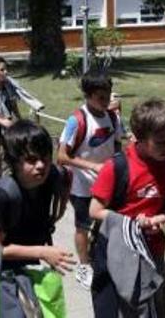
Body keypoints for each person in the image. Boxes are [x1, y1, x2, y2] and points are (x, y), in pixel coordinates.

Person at [88, 98, 165, 318]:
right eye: (161, 142)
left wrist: (158, 218)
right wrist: (130, 223)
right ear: (140, 137)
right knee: (123, 308)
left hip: (153, 250)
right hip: (118, 252)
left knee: (157, 307)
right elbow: (94, 210)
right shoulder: (116, 167)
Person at [0, 120, 75, 278]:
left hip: (28, 260)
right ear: (13, 162)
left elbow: (65, 176)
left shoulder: (51, 177)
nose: (41, 165)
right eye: (31, 160)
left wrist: (57, 212)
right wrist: (42, 252)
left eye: (46, 158)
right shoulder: (4, 195)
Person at [56, 70, 127, 290]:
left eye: (108, 96)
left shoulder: (113, 116)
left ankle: (107, 258)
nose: (106, 102)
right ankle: (85, 264)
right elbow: (61, 156)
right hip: (82, 187)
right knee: (82, 227)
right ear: (87, 95)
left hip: (108, 185)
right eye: (100, 98)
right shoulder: (76, 120)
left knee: (109, 223)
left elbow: (117, 144)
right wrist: (93, 166)